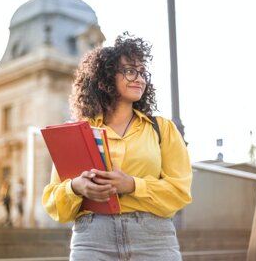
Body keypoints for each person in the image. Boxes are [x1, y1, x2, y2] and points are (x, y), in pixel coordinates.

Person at [42, 32, 192, 260]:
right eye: (130, 70)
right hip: (92, 239)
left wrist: (132, 185)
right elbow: (54, 202)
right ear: (106, 76)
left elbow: (180, 192)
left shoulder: (162, 128)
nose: (139, 78)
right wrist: (76, 187)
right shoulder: (78, 133)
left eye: (142, 72)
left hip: (153, 239)